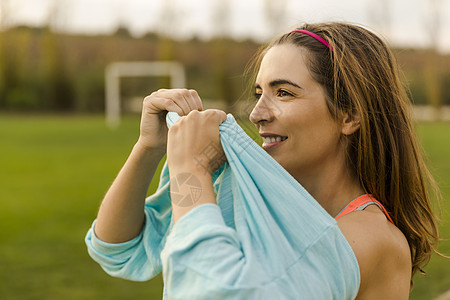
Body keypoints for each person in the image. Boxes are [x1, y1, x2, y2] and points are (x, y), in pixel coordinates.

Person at [86, 22, 442, 299]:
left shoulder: (369, 235)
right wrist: (149, 148)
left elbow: (218, 293)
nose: (257, 114)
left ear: (349, 115)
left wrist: (190, 170)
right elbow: (117, 248)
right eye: (260, 93)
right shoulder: (260, 196)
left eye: (283, 92)